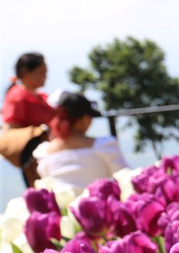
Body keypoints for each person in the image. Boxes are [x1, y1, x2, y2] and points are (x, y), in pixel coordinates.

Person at [32, 93, 127, 190]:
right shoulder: (104, 146)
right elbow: (125, 178)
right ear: (85, 118)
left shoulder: (44, 153)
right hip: (101, 203)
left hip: (65, 205)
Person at [1, 52, 57, 187]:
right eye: (41, 73)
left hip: (50, 154)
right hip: (34, 160)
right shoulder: (17, 96)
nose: (45, 77)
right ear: (25, 72)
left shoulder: (41, 96)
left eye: (45, 73)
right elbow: (11, 130)